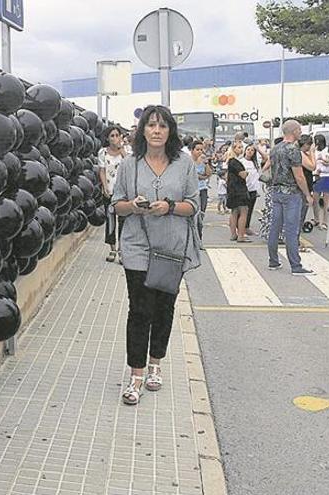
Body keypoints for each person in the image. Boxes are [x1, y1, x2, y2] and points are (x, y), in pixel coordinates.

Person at [111, 105, 201, 406]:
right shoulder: (129, 165)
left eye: (162, 126)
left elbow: (193, 205)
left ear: (170, 131)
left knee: (163, 309)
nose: (157, 131)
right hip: (138, 244)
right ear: (143, 131)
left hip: (171, 247)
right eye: (151, 125)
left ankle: (155, 364)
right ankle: (135, 375)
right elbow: (116, 204)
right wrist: (134, 206)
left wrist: (171, 207)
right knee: (139, 310)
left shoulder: (184, 163)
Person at [267, 120, 314, 275]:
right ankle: (295, 265)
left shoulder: (275, 149)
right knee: (291, 230)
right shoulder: (293, 150)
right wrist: (307, 194)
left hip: (276, 191)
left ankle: (273, 261)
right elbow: (299, 176)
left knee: (275, 227)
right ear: (293, 131)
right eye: (299, 130)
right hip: (291, 193)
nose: (301, 132)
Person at [98, 125, 128, 263]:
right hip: (109, 191)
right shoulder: (103, 152)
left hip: (124, 193)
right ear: (108, 138)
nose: (115, 138)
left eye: (117, 135)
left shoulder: (127, 151)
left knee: (124, 221)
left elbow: (130, 167)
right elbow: (102, 171)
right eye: (112, 136)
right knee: (110, 220)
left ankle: (122, 250)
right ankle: (112, 249)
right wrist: (105, 187)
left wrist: (122, 151)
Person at [224, 141, 251, 242]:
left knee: (234, 211)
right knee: (243, 211)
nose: (241, 149)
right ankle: (240, 235)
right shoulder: (234, 161)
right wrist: (247, 172)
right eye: (239, 147)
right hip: (239, 189)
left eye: (241, 147)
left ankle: (233, 234)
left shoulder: (230, 161)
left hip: (232, 189)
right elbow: (242, 174)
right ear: (234, 149)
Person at [298, 134, 317, 244]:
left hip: (306, 186)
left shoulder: (304, 153)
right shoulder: (300, 154)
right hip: (302, 188)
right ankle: (295, 238)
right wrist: (313, 153)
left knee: (302, 212)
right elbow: (312, 166)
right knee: (300, 213)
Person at [193, 140, 211, 245]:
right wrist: (201, 176)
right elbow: (194, 176)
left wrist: (206, 163)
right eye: (197, 149)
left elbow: (208, 174)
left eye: (201, 149)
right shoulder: (189, 162)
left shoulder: (203, 161)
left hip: (203, 189)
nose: (200, 152)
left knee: (201, 215)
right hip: (193, 191)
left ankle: (199, 240)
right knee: (193, 215)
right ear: (192, 150)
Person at [240, 144, 261, 236]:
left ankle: (247, 227)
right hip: (244, 189)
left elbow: (266, 158)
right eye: (248, 149)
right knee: (242, 210)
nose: (249, 151)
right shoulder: (241, 161)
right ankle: (240, 228)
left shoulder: (255, 163)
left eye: (252, 150)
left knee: (250, 209)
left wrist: (258, 149)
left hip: (253, 189)